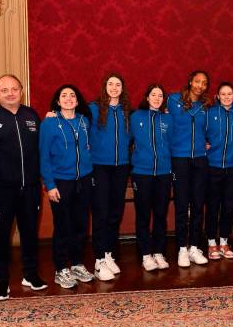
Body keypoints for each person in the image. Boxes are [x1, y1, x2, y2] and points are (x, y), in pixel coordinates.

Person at [0, 74, 45, 301]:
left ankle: (31, 274)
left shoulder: (32, 115)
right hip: (1, 191)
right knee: (0, 237)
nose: (10, 93)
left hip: (31, 189)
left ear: (21, 90)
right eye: (4, 90)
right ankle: (1, 281)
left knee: (29, 233)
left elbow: (41, 149)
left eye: (14, 88)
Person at [39, 85, 95, 289]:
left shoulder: (84, 121)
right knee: (63, 226)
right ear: (57, 101)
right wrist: (50, 185)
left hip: (84, 180)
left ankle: (77, 264)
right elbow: (44, 156)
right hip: (61, 182)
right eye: (64, 95)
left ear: (78, 101)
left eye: (72, 95)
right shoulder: (49, 123)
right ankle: (61, 268)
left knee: (81, 225)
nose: (69, 98)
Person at [88, 73, 131, 280]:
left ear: (122, 88)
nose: (114, 87)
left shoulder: (127, 112)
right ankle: (98, 259)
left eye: (118, 84)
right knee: (101, 212)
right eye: (111, 84)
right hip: (100, 167)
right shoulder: (93, 109)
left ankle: (108, 253)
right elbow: (75, 120)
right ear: (104, 87)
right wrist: (54, 114)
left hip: (121, 166)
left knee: (115, 211)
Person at [168, 70, 211, 268]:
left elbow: (210, 130)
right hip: (180, 158)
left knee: (197, 205)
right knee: (182, 205)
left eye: (203, 83)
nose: (200, 86)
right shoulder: (173, 100)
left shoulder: (207, 105)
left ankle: (194, 247)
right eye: (197, 81)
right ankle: (182, 249)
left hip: (200, 159)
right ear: (190, 81)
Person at [130, 84, 172, 271]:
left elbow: (172, 143)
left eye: (160, 95)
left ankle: (158, 252)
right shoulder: (136, 116)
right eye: (153, 95)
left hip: (163, 173)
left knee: (161, 215)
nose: (156, 98)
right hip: (142, 173)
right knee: (143, 215)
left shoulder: (167, 118)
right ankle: (146, 254)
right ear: (147, 97)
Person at [204, 82, 233, 259]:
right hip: (213, 167)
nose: (227, 97)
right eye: (223, 94)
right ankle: (211, 243)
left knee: (228, 207)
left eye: (230, 94)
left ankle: (224, 242)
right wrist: (203, 144)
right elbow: (198, 132)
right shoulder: (210, 113)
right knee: (213, 207)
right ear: (218, 96)